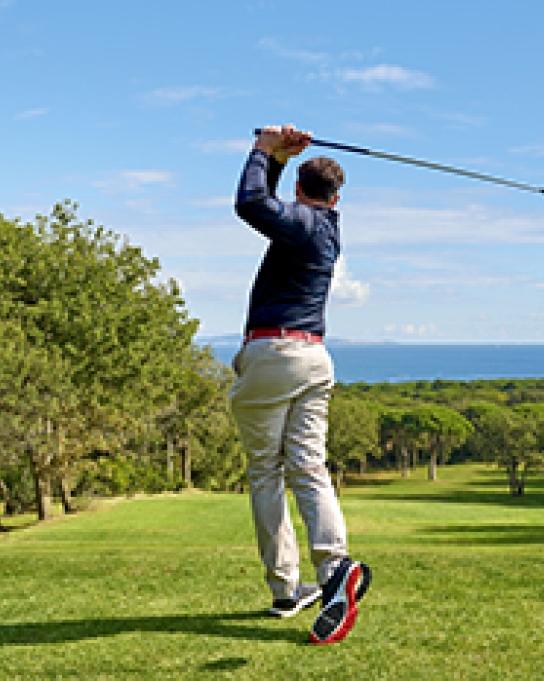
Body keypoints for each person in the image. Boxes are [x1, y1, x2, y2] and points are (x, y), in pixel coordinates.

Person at [229, 124, 371, 645]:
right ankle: (334, 571)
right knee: (309, 465)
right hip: (313, 358)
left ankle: (287, 587)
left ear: (299, 191)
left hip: (274, 354)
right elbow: (271, 208)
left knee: (266, 472)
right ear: (337, 197)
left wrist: (262, 150)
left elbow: (251, 204)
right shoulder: (324, 226)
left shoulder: (305, 223)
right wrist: (280, 158)